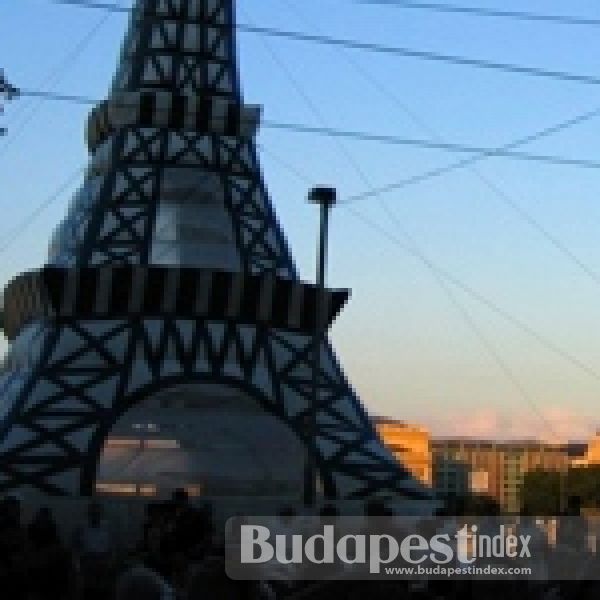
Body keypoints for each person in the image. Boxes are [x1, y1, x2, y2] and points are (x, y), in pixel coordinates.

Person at [26, 506, 72, 600]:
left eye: (46, 517)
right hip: (38, 565)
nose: (44, 519)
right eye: (42, 517)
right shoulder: (31, 529)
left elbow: (58, 546)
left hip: (48, 565)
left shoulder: (52, 528)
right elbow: (29, 547)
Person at [73, 501, 114, 600]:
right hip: (88, 559)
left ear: (100, 513)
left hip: (102, 559)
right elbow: (76, 545)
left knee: (102, 588)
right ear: (89, 514)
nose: (95, 515)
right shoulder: (82, 527)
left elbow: (111, 545)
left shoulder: (106, 526)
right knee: (88, 588)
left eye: (97, 513)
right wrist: (77, 564)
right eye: (93, 513)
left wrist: (110, 561)